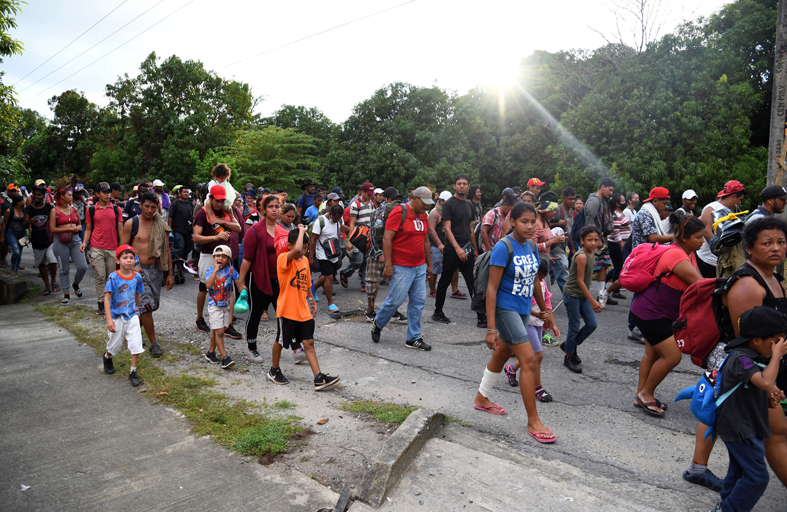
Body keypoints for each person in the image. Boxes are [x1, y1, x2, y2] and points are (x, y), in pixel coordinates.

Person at [684, 217, 787, 492]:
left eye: (781, 242)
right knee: (724, 413)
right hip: (743, 364)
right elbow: (749, 339)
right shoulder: (748, 284)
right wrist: (767, 382)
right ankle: (703, 471)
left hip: (762, 364)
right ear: (749, 248)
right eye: (767, 243)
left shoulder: (774, 279)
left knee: (732, 420)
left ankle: (722, 482)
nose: (776, 248)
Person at [473, 201, 556, 443]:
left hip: (523, 310)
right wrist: (491, 328)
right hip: (505, 309)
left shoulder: (531, 246)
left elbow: (534, 281)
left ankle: (481, 397)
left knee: (501, 355)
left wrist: (544, 311)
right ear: (512, 222)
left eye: (533, 222)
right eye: (524, 222)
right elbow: (492, 289)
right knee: (529, 360)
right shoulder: (503, 247)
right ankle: (533, 421)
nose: (530, 227)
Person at [713, 307, 787, 512]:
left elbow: (756, 387)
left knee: (739, 470)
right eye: (775, 342)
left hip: (745, 425)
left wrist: (769, 395)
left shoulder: (751, 356)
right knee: (757, 477)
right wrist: (776, 357)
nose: (779, 347)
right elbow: (764, 382)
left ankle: (725, 504)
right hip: (739, 427)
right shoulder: (740, 358)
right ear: (756, 340)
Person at [631, 213, 704, 416]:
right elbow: (700, 285)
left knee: (652, 354)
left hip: (652, 310)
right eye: (698, 237)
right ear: (685, 238)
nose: (703, 241)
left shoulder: (687, 253)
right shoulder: (676, 255)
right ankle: (646, 394)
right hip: (652, 313)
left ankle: (640, 394)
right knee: (672, 356)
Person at [270, 226, 340, 390]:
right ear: (290, 246)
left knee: (309, 342)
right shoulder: (283, 259)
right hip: (287, 310)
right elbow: (295, 250)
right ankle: (274, 370)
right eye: (301, 246)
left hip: (303, 310)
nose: (303, 250)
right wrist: (301, 230)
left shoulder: (304, 262)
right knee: (281, 341)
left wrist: (312, 299)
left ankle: (318, 377)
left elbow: (307, 283)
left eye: (306, 247)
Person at [370, 186, 433, 350]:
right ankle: (378, 323)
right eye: (424, 203)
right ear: (414, 198)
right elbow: (387, 239)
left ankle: (413, 338)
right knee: (395, 301)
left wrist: (429, 265)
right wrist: (388, 265)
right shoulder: (399, 212)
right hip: (401, 266)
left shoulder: (423, 215)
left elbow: (426, 241)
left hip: (419, 266)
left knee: (418, 302)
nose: (427, 206)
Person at [120, 192, 173, 358]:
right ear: (140, 205)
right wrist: (127, 270)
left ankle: (131, 333)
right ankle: (153, 343)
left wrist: (170, 274)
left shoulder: (161, 224)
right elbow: (122, 249)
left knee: (150, 306)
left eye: (153, 207)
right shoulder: (132, 223)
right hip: (138, 270)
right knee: (146, 306)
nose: (149, 210)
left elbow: (167, 249)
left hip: (156, 269)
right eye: (146, 206)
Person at [503, 259, 560, 402]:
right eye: (538, 278)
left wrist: (552, 323)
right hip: (526, 322)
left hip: (538, 324)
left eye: (542, 278)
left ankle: (511, 368)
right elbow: (523, 306)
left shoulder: (542, 284)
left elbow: (547, 304)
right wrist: (538, 315)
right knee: (537, 356)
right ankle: (537, 388)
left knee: (531, 356)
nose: (540, 281)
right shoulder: (524, 285)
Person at [432, 174, 481, 326]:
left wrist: (475, 249)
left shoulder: (469, 204)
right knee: (445, 281)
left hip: (467, 249)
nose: (461, 186)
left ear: (468, 186)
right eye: (459, 183)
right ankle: (437, 312)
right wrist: (457, 248)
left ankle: (481, 316)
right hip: (452, 250)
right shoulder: (449, 204)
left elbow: (470, 228)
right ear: (454, 186)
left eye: (464, 183)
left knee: (473, 282)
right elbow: (447, 229)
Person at [193, 185, 242, 333]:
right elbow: (196, 237)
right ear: (211, 198)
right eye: (217, 201)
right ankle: (199, 318)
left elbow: (238, 228)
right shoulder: (202, 213)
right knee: (205, 286)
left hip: (225, 253)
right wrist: (215, 237)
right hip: (209, 253)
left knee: (227, 287)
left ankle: (227, 323)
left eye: (222, 201)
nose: (219, 204)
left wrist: (223, 222)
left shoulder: (227, 211)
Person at [561, 226, 603, 373]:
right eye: (589, 240)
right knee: (574, 327)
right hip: (572, 295)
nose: (593, 243)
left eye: (596, 240)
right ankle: (569, 356)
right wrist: (592, 300)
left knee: (592, 324)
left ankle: (569, 345)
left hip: (582, 295)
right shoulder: (582, 256)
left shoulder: (592, 253)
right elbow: (580, 281)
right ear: (582, 240)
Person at [102, 244, 146, 387]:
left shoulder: (137, 277)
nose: (128, 260)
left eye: (131, 258)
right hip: (117, 316)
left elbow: (137, 294)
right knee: (115, 345)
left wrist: (137, 312)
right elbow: (107, 299)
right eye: (125, 257)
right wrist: (109, 319)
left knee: (135, 343)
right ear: (117, 260)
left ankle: (133, 372)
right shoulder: (113, 278)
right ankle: (107, 356)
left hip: (132, 314)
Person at [365, 187, 407, 323]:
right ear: (386, 199)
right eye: (392, 199)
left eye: (396, 198)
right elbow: (372, 235)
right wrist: (380, 254)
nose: (395, 201)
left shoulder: (401, 212)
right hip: (376, 253)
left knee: (395, 284)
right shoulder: (377, 213)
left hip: (394, 254)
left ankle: (393, 311)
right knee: (372, 282)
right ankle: (370, 312)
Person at [82, 182, 123, 315]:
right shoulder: (91, 210)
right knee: (100, 275)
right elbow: (88, 229)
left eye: (108, 192)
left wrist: (123, 246)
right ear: (97, 194)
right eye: (104, 192)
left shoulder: (116, 209)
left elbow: (120, 229)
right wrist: (84, 243)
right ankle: (101, 302)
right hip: (96, 246)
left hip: (112, 247)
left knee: (111, 277)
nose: (107, 195)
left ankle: (110, 302)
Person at [204, 245, 246, 369]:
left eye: (224, 257)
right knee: (220, 332)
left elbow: (238, 282)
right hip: (214, 306)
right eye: (217, 256)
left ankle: (211, 353)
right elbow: (208, 285)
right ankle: (224, 358)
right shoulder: (210, 271)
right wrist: (215, 271)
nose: (220, 258)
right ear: (213, 258)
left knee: (216, 329)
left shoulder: (231, 270)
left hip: (226, 305)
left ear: (228, 260)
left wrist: (242, 289)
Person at [697, 180, 745, 278]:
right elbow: (706, 231)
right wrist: (718, 250)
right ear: (734, 197)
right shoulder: (712, 208)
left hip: (721, 261)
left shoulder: (728, 211)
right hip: (708, 260)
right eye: (739, 199)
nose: (739, 203)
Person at [49, 188, 88, 305]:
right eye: (69, 195)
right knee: (64, 269)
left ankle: (75, 284)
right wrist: (68, 228)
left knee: (83, 266)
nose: (71, 197)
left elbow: (79, 224)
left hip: (75, 240)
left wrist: (77, 228)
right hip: (60, 241)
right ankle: (66, 294)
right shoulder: (54, 211)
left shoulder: (74, 209)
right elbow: (52, 229)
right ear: (62, 197)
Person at [583, 178, 616, 304]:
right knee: (589, 268)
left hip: (602, 239)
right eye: (609, 190)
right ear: (602, 187)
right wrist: (595, 239)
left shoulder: (602, 201)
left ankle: (601, 295)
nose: (611, 193)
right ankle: (581, 297)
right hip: (594, 240)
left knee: (603, 265)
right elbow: (589, 220)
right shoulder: (594, 200)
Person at [310, 204, 346, 312]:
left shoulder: (339, 221)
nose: (336, 220)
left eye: (339, 218)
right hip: (322, 254)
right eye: (335, 218)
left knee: (327, 276)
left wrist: (347, 230)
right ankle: (330, 303)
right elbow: (313, 240)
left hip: (333, 253)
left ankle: (312, 289)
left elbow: (342, 234)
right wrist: (311, 257)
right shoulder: (320, 222)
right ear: (330, 214)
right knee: (329, 276)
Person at [340, 182, 375, 292]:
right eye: (368, 194)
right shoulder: (355, 205)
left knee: (366, 261)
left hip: (368, 236)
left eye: (371, 194)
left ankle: (364, 284)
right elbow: (352, 224)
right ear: (363, 192)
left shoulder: (371, 204)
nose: (370, 196)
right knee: (359, 261)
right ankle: (345, 273)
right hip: (358, 237)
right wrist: (350, 241)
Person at [428, 190, 461, 298]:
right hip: (436, 245)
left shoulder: (449, 212)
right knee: (435, 268)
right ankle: (432, 291)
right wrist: (439, 244)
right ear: (441, 201)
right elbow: (431, 230)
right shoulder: (435, 213)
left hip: (448, 245)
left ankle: (455, 290)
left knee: (454, 267)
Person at [25, 187, 58, 294]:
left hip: (49, 238)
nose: (36, 196)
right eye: (35, 194)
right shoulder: (29, 209)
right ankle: (47, 285)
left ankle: (53, 281)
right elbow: (24, 224)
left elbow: (56, 219)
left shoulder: (49, 207)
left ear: (44, 196)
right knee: (41, 263)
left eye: (39, 195)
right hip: (36, 239)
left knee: (52, 260)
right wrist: (30, 221)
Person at [602, 193, 631, 300]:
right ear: (617, 203)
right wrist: (621, 245)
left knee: (618, 267)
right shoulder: (616, 215)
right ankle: (615, 291)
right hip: (616, 245)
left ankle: (604, 283)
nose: (625, 203)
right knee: (619, 268)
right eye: (623, 201)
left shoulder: (620, 213)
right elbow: (616, 232)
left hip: (620, 244)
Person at [549, 187, 576, 290]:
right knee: (564, 276)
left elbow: (568, 231)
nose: (573, 201)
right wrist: (558, 223)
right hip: (554, 247)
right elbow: (545, 224)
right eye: (570, 199)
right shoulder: (558, 210)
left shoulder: (571, 211)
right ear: (563, 198)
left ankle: (543, 296)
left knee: (549, 276)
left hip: (562, 247)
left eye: (574, 199)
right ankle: (570, 296)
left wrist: (572, 248)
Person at [168, 185, 194, 281]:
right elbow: (170, 217)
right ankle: (178, 266)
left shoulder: (190, 204)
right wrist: (170, 229)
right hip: (177, 230)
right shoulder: (175, 203)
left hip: (188, 230)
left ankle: (184, 264)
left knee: (188, 247)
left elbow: (193, 217)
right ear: (179, 193)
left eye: (187, 192)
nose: (186, 194)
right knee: (180, 247)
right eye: (184, 192)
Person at [1, 195, 28, 275]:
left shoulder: (24, 210)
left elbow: (26, 222)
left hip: (21, 233)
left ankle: (15, 270)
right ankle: (13, 268)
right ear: (18, 202)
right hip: (11, 232)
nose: (23, 202)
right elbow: (4, 224)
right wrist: (2, 236)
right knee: (16, 252)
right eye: (22, 201)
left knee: (19, 252)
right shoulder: (9, 211)